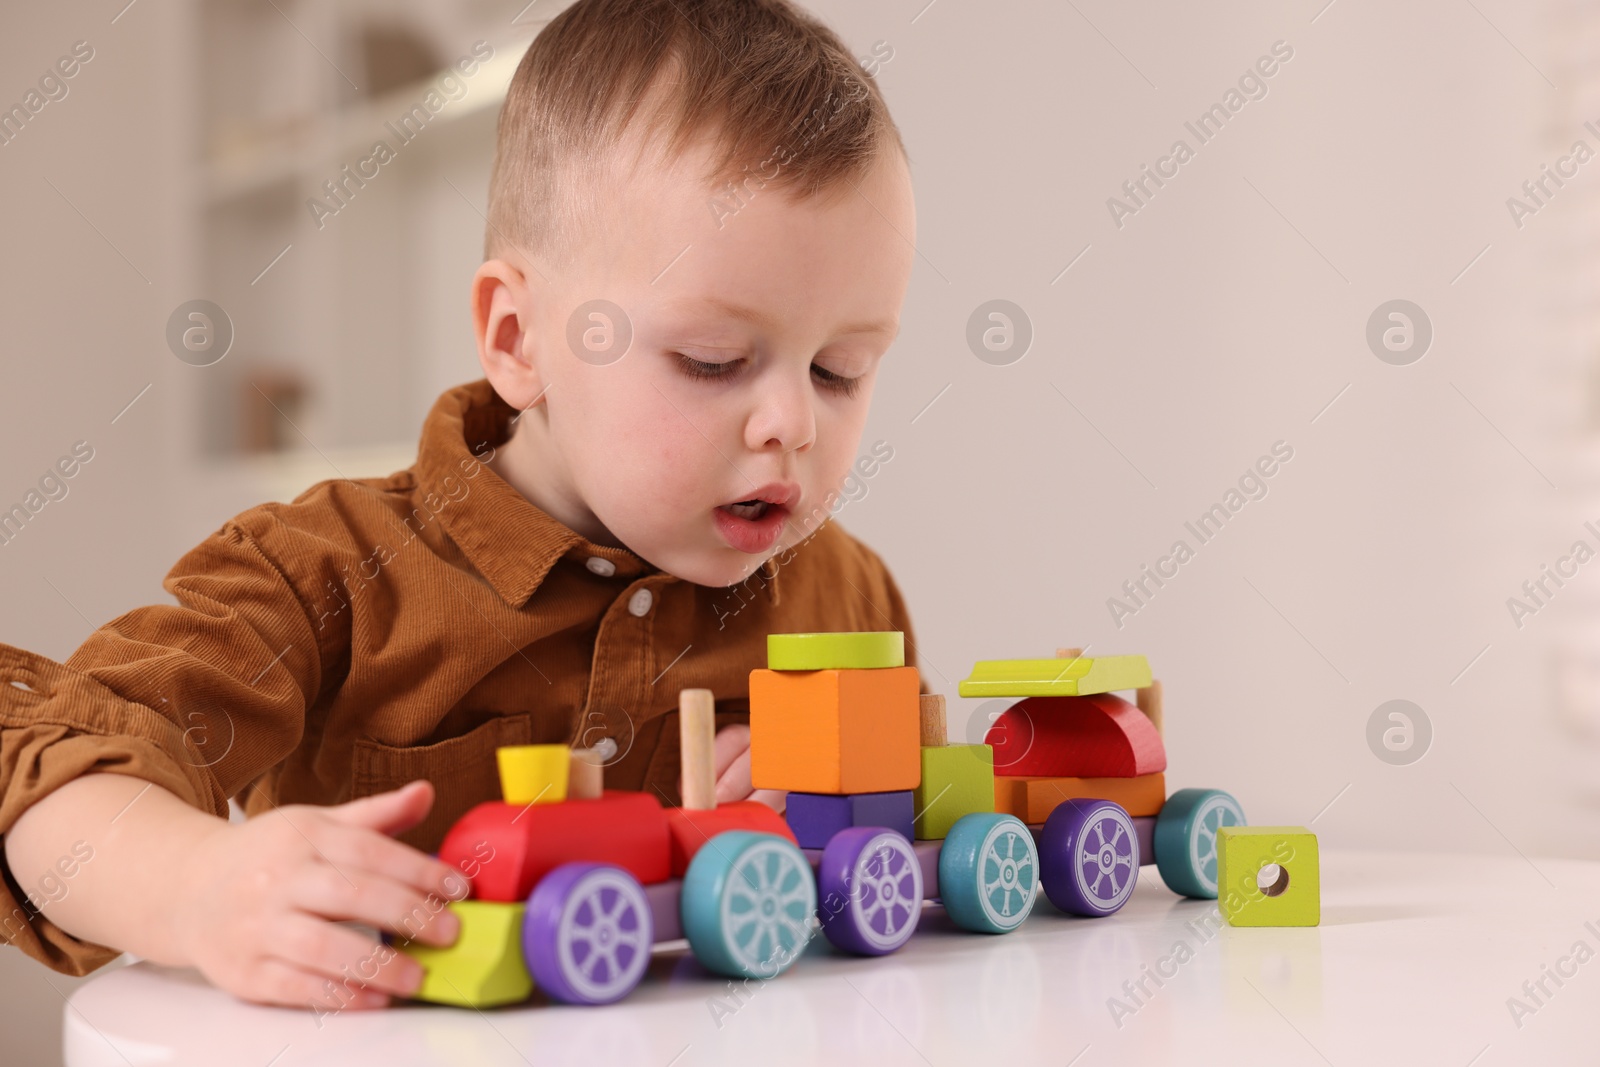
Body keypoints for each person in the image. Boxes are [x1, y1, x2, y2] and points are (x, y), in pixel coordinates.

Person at [0, 0, 924, 1012]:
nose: (790, 421)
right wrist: (195, 886)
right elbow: (42, 765)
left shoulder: (846, 594)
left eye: (841, 370)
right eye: (712, 359)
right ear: (519, 338)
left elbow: (906, 869)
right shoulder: (323, 572)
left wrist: (847, 803)